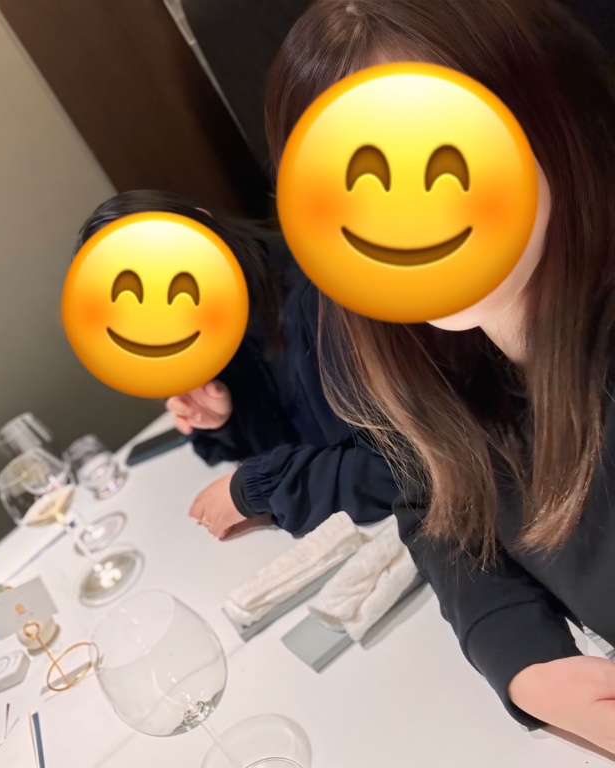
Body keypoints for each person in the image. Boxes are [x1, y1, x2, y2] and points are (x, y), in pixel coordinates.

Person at [266, 0, 615, 753]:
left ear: (553, 119)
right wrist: (523, 661)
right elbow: (433, 503)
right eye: (358, 186)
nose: (405, 218)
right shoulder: (440, 367)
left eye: (445, 161)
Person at [74, 189, 399, 538]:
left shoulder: (324, 296)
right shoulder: (211, 325)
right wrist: (225, 424)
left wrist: (255, 490)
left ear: (206, 225)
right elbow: (285, 445)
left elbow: (402, 471)